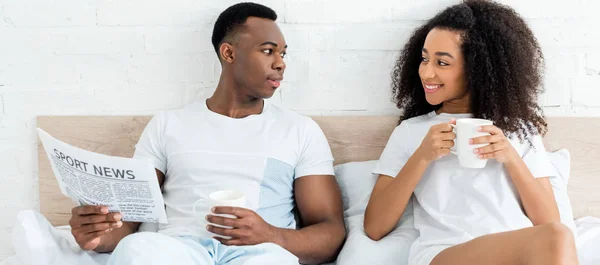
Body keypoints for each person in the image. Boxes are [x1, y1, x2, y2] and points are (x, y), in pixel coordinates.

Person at [67, 3, 345, 265]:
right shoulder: (168, 125)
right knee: (135, 248)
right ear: (229, 53)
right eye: (268, 50)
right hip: (179, 250)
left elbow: (331, 233)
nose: (280, 63)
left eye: (282, 54)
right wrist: (97, 236)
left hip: (258, 254)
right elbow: (128, 223)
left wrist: (273, 235)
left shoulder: (299, 130)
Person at [363, 1, 578, 265]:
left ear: (477, 69)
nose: (426, 72)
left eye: (442, 62)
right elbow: (375, 227)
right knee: (556, 236)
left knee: (557, 235)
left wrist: (510, 156)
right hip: (446, 254)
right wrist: (422, 156)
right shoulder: (410, 132)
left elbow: (549, 221)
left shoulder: (519, 131)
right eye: (424, 58)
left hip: (520, 253)